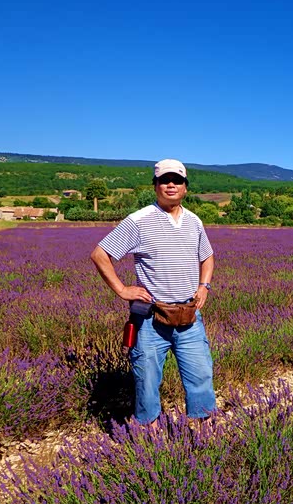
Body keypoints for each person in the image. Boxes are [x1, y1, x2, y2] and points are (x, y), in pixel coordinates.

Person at [90, 159, 216, 425]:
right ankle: (148, 433)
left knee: (201, 375)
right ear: (155, 186)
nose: (171, 185)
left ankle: (203, 429)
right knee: (146, 381)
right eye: (164, 180)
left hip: (189, 315)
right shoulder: (139, 221)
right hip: (150, 318)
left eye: (177, 180)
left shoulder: (194, 222)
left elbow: (207, 257)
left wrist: (204, 286)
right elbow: (100, 254)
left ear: (185, 187)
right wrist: (122, 289)